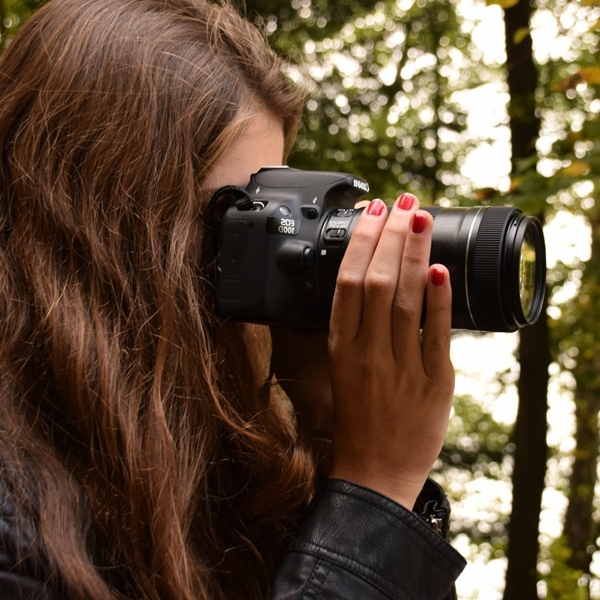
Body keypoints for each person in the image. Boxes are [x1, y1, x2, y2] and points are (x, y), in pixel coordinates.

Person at [0, 0, 466, 598]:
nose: (266, 245)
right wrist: (375, 490)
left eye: (275, 210)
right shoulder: (18, 513)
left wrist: (331, 437)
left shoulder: (205, 457)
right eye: (234, 216)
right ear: (102, 229)